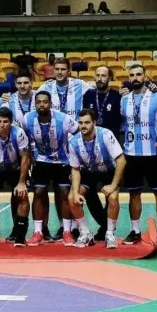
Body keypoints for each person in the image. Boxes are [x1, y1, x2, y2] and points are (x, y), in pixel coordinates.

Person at [37, 57, 90, 240]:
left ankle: (73, 227)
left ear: (69, 70)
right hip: (52, 146)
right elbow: (32, 103)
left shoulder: (81, 85)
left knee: (66, 190)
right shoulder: (45, 88)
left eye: (63, 69)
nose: (59, 72)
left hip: (74, 145)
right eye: (56, 69)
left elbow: (98, 92)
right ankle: (61, 226)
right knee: (50, 190)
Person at [119, 64, 157, 246]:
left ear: (145, 76)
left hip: (153, 152)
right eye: (132, 75)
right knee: (133, 194)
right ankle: (135, 230)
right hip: (131, 154)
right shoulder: (124, 100)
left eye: (139, 74)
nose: (135, 78)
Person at [24, 91, 79, 246]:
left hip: (62, 161)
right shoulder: (28, 118)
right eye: (39, 102)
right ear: (35, 104)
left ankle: (67, 231)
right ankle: (38, 232)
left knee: (64, 193)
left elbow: (78, 134)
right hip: (41, 161)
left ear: (51, 104)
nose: (42, 104)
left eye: (45, 102)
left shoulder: (64, 119)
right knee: (38, 193)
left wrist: (74, 155)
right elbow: (19, 132)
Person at [68, 109, 126, 249]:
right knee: (72, 198)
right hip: (89, 172)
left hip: (109, 171)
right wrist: (75, 191)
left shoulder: (106, 135)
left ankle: (110, 234)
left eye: (87, 122)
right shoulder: (74, 142)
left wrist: (113, 185)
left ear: (94, 123)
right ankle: (85, 233)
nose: (83, 126)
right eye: (80, 123)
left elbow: (121, 161)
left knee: (112, 197)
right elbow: (75, 169)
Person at [81, 65, 122, 240]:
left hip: (110, 153)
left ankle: (106, 230)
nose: (100, 78)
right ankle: (104, 225)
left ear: (109, 78)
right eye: (97, 75)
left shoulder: (117, 96)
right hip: (90, 153)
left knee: (111, 194)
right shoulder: (88, 96)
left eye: (103, 76)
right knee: (88, 192)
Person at [0, 107, 31, 246]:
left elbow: (25, 158)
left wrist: (21, 182)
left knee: (22, 195)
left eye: (5, 122)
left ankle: (20, 236)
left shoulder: (19, 133)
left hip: (16, 169)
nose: (2, 125)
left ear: (11, 122)